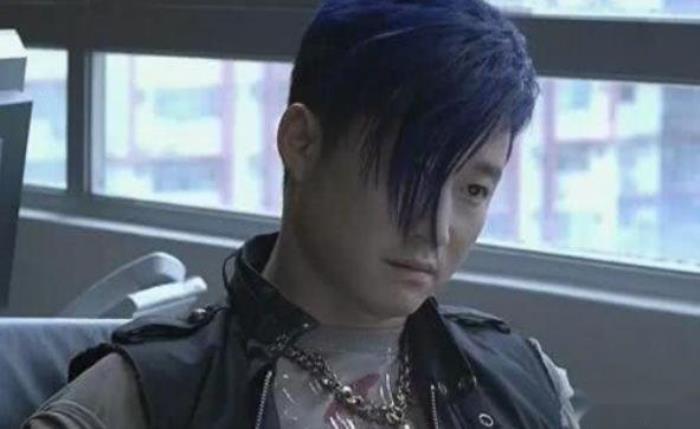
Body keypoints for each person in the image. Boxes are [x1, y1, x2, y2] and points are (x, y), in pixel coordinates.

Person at [25, 0, 580, 428]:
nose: (435, 230)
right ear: (302, 143)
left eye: (474, 190)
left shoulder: (525, 381)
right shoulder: (142, 398)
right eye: (407, 175)